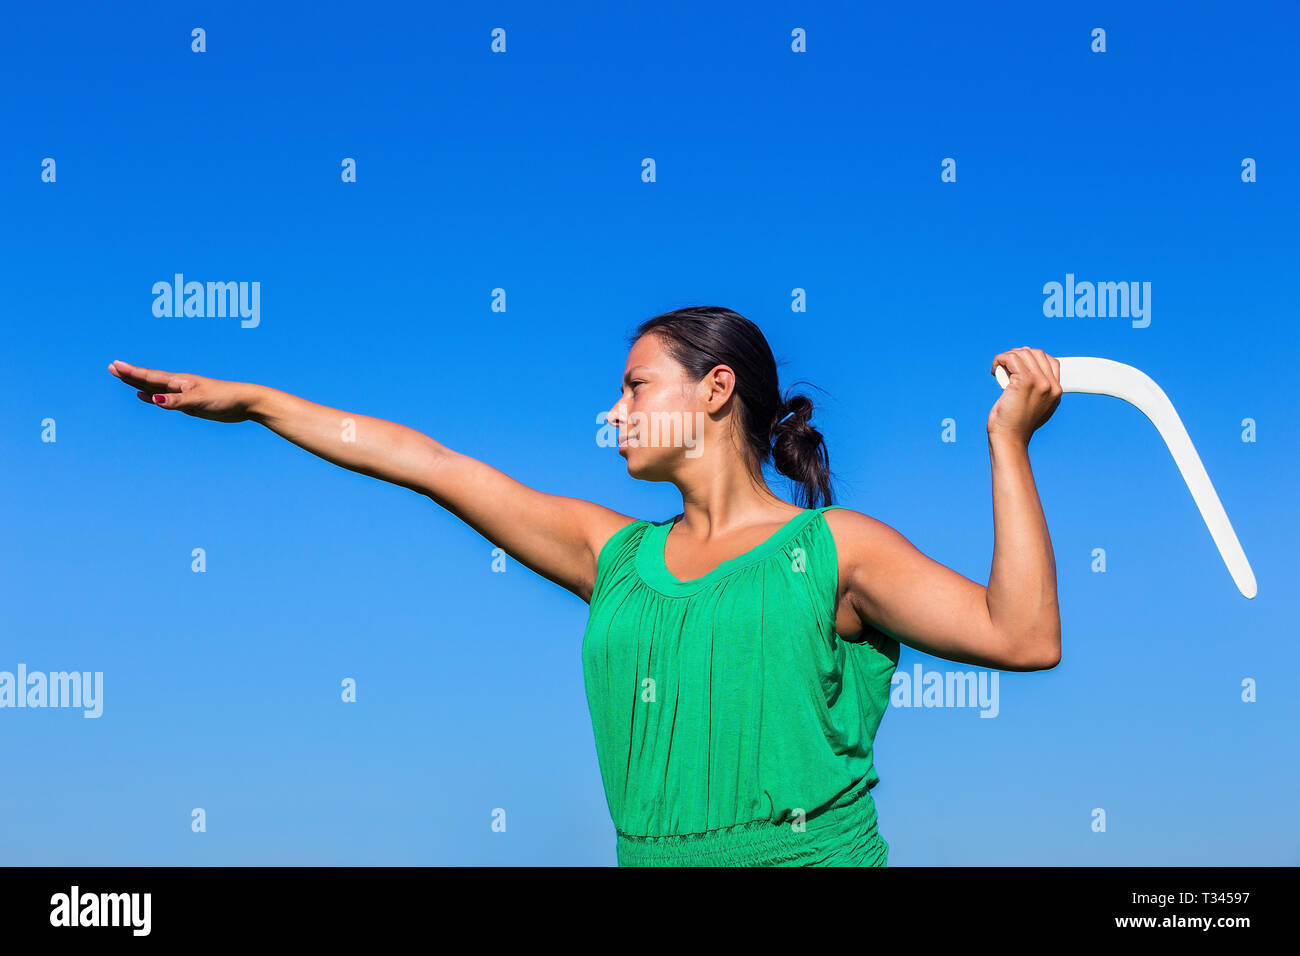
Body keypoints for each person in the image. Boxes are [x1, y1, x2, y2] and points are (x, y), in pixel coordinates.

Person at [108, 304, 1063, 866]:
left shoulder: (835, 552)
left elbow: (1021, 635)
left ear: (716, 390)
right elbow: (434, 463)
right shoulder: (613, 558)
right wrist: (263, 403)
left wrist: (1006, 443)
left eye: (637, 386)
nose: (615, 412)